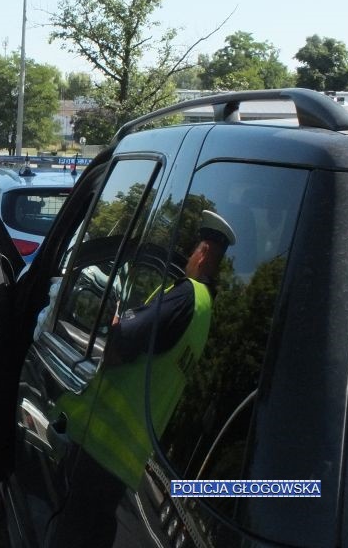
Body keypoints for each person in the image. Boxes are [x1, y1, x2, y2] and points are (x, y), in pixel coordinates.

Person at [54, 209, 236, 547]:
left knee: (72, 533)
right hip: (130, 458)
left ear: (204, 251)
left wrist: (116, 322)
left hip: (99, 442)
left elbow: (120, 344)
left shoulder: (185, 296)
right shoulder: (206, 313)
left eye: (194, 249)